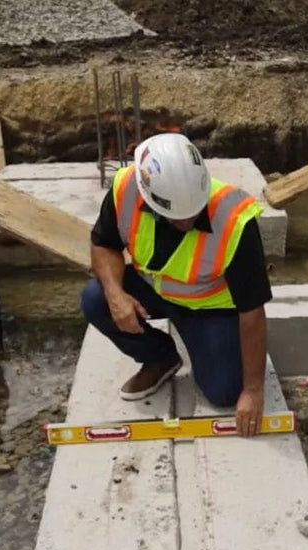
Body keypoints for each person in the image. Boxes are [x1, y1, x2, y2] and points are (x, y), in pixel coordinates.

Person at [79, 132, 273, 437]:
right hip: (153, 290)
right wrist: (117, 295)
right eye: (178, 217)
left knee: (225, 392)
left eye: (194, 212)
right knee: (96, 298)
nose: (188, 221)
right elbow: (103, 244)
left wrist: (253, 390)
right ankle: (160, 358)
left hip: (210, 308)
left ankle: (199, 343)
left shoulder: (236, 220)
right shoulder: (127, 188)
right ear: (149, 197)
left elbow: (252, 312)